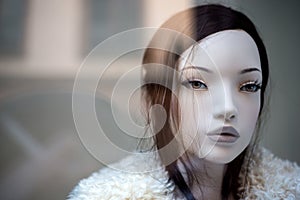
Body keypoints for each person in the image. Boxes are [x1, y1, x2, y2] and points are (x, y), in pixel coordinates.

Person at [68, 4, 300, 200]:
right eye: (197, 83)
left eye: (249, 86)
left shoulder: (291, 190)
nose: (228, 108)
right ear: (156, 98)